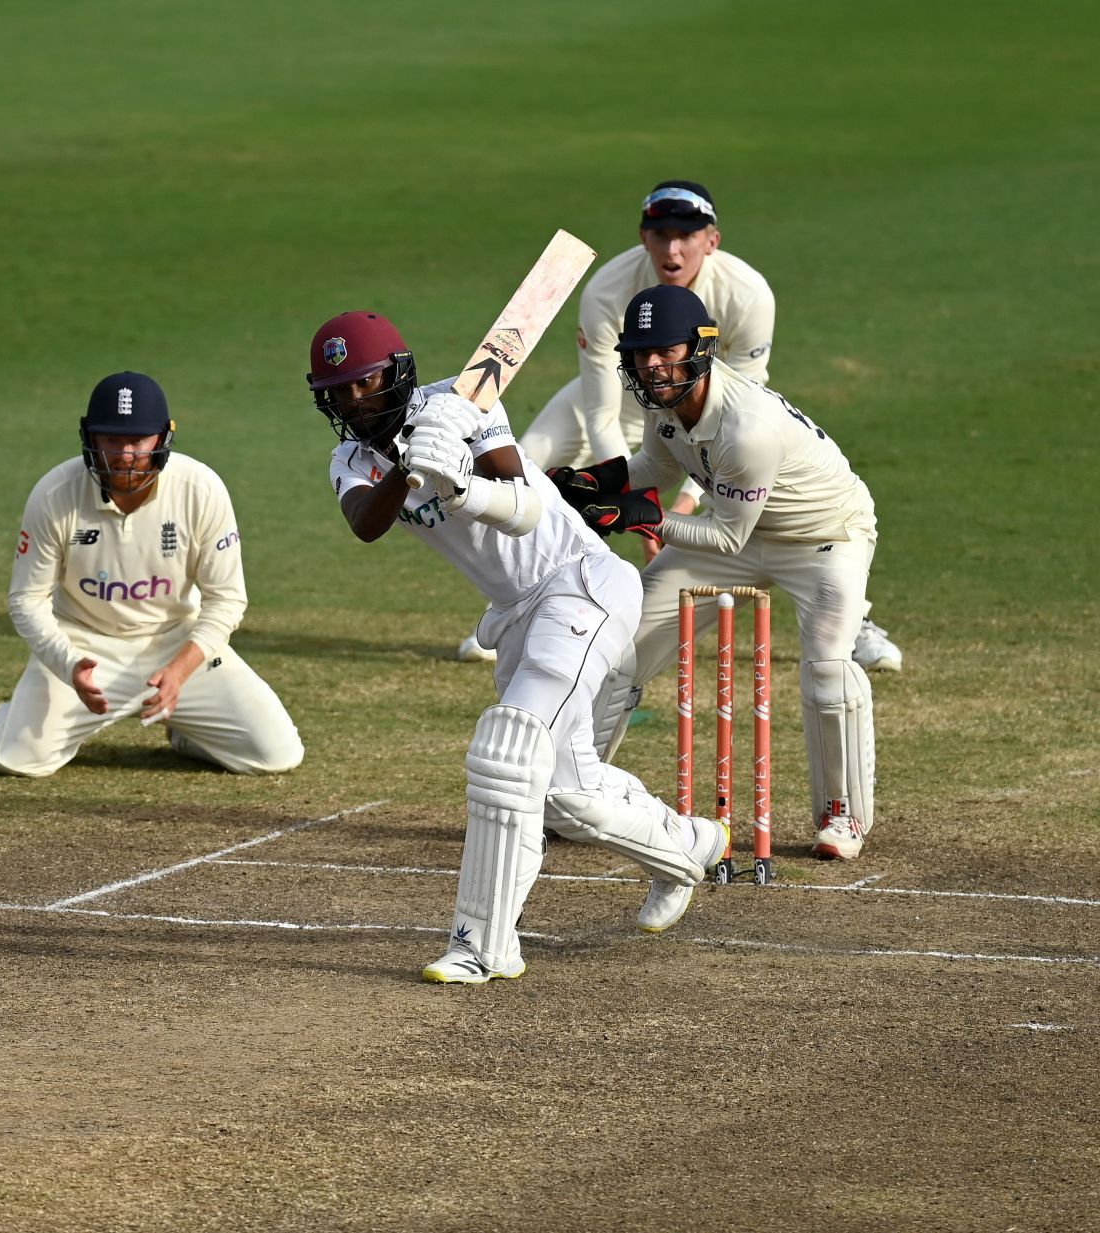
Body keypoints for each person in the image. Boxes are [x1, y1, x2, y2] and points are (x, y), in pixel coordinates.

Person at [305, 310, 727, 983]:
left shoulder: (464, 400)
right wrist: (409, 469)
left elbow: (527, 503)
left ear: (397, 372)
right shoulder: (351, 460)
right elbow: (365, 523)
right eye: (341, 392)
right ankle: (689, 845)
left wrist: (462, 480)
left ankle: (483, 944)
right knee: (563, 791)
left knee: (508, 751)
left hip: (579, 584)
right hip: (519, 615)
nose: (356, 400)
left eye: (367, 382)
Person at [458, 181, 902, 674]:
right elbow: (605, 413)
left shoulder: (747, 295)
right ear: (643, 237)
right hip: (642, 398)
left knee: (757, 520)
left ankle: (850, 616)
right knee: (521, 463)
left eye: (685, 236)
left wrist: (659, 513)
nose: (673, 249)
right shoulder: (608, 289)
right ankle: (519, 604)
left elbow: (732, 428)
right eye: (660, 234)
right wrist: (606, 482)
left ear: (710, 240)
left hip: (715, 416)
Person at [564, 284, 879, 860]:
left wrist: (644, 517)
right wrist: (594, 482)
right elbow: (653, 465)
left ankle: (843, 815)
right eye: (640, 353)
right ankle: (572, 793)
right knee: (621, 648)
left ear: (700, 349)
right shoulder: (664, 403)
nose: (652, 364)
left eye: (666, 350)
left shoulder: (746, 427)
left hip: (824, 538)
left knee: (828, 671)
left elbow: (725, 534)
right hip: (734, 529)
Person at [0, 372, 303, 777]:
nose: (125, 454)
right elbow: (26, 599)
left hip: (175, 643)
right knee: (13, 759)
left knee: (276, 753)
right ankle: (14, 716)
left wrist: (181, 668)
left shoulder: (199, 488)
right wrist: (67, 663)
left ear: (162, 438)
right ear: (90, 437)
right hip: (84, 648)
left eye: (138, 440)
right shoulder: (54, 493)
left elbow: (227, 599)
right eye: (111, 440)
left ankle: (191, 733)